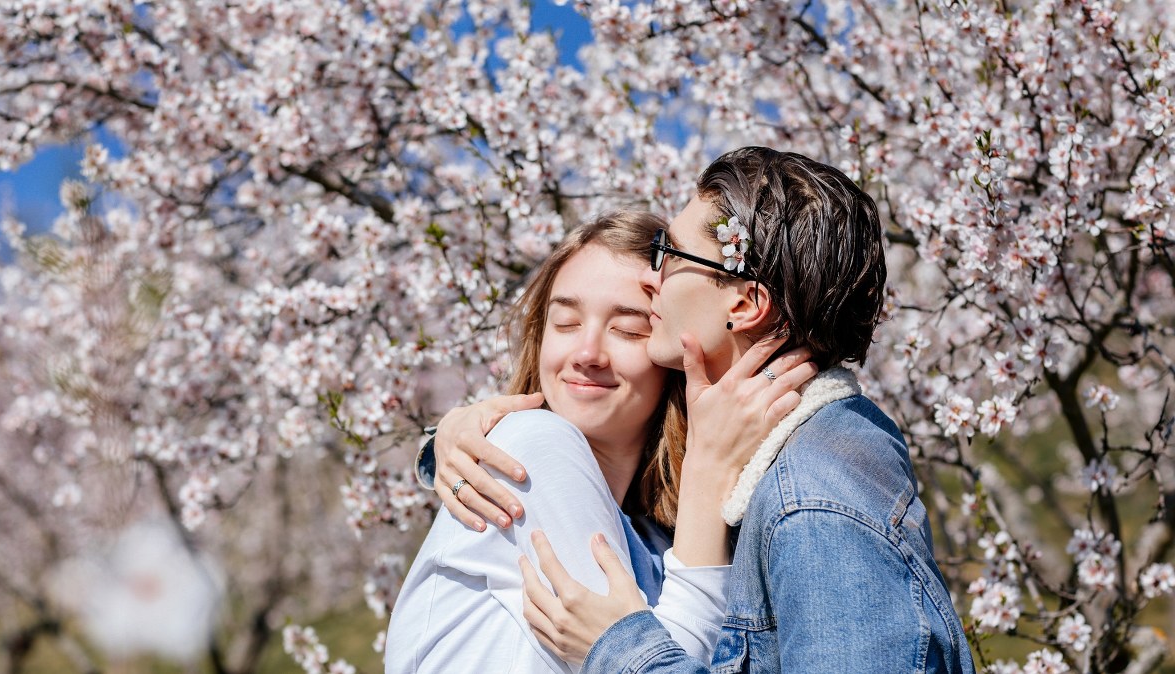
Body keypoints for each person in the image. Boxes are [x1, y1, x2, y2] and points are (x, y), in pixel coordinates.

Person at [427, 147, 976, 673]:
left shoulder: (811, 499)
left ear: (744, 303)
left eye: (669, 255)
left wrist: (619, 651)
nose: (652, 276)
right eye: (564, 322)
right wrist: (446, 441)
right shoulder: (765, 491)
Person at [385, 210, 815, 673]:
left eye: (629, 330)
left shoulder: (657, 544)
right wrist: (707, 472)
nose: (587, 354)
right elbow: (661, 663)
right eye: (565, 323)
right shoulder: (534, 444)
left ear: (672, 355)